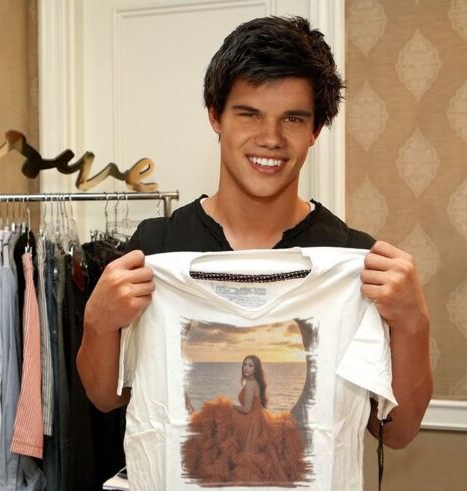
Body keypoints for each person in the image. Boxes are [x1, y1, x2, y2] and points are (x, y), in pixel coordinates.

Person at [76, 15, 432, 450]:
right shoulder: (155, 249)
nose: (270, 137)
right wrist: (97, 322)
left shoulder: (355, 260)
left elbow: (396, 433)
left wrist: (413, 323)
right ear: (216, 116)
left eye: (293, 119)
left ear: (315, 131)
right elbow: (106, 397)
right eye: (249, 114)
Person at [181, 355, 306, 485]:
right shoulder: (255, 382)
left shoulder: (251, 384)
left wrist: (233, 406)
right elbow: (255, 406)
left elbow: (246, 409)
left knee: (220, 412)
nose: (246, 368)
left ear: (256, 369)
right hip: (257, 418)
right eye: (245, 365)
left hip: (251, 420)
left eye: (250, 365)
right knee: (222, 417)